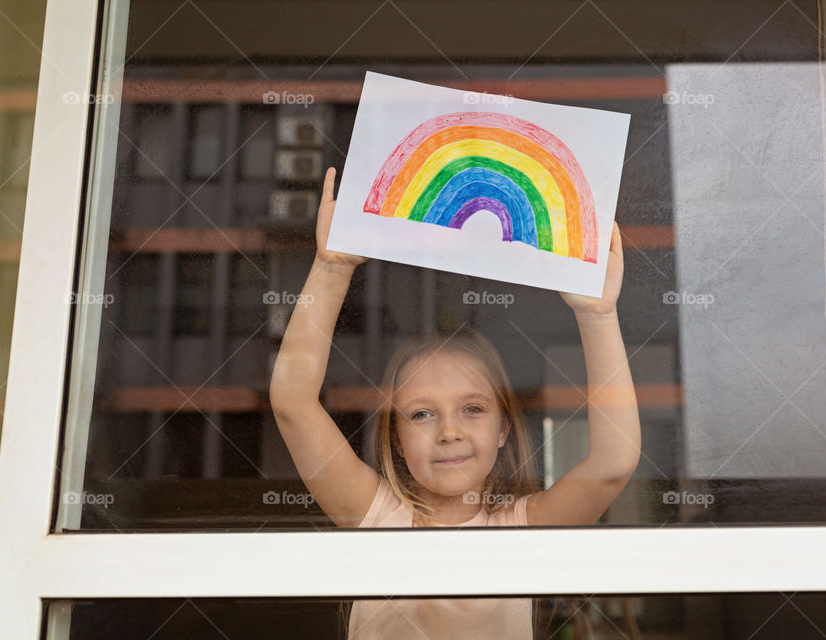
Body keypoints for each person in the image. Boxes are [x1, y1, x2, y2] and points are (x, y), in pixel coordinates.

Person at [269, 167, 641, 639]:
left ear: (503, 428)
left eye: (473, 409)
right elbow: (292, 402)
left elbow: (614, 462)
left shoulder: (523, 530)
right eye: (422, 414)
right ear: (397, 441)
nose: (449, 431)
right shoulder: (375, 515)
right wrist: (332, 267)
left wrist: (598, 314)